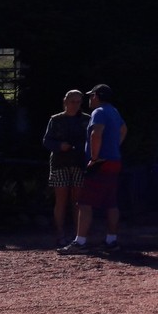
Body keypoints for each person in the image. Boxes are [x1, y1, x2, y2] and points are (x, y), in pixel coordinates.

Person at [58, 84, 127, 255]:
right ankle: (111, 240)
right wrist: (114, 147)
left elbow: (96, 134)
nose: (89, 99)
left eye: (91, 96)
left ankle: (80, 242)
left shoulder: (99, 112)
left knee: (85, 202)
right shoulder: (114, 111)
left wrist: (94, 158)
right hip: (114, 160)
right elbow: (124, 129)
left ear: (96, 96)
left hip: (101, 163)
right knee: (111, 203)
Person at [42, 89, 88, 247]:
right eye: (72, 101)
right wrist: (59, 146)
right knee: (61, 200)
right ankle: (60, 232)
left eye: (78, 102)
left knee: (78, 200)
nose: (75, 105)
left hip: (79, 163)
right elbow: (47, 141)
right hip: (60, 162)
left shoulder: (86, 119)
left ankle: (78, 234)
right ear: (65, 102)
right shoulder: (55, 120)